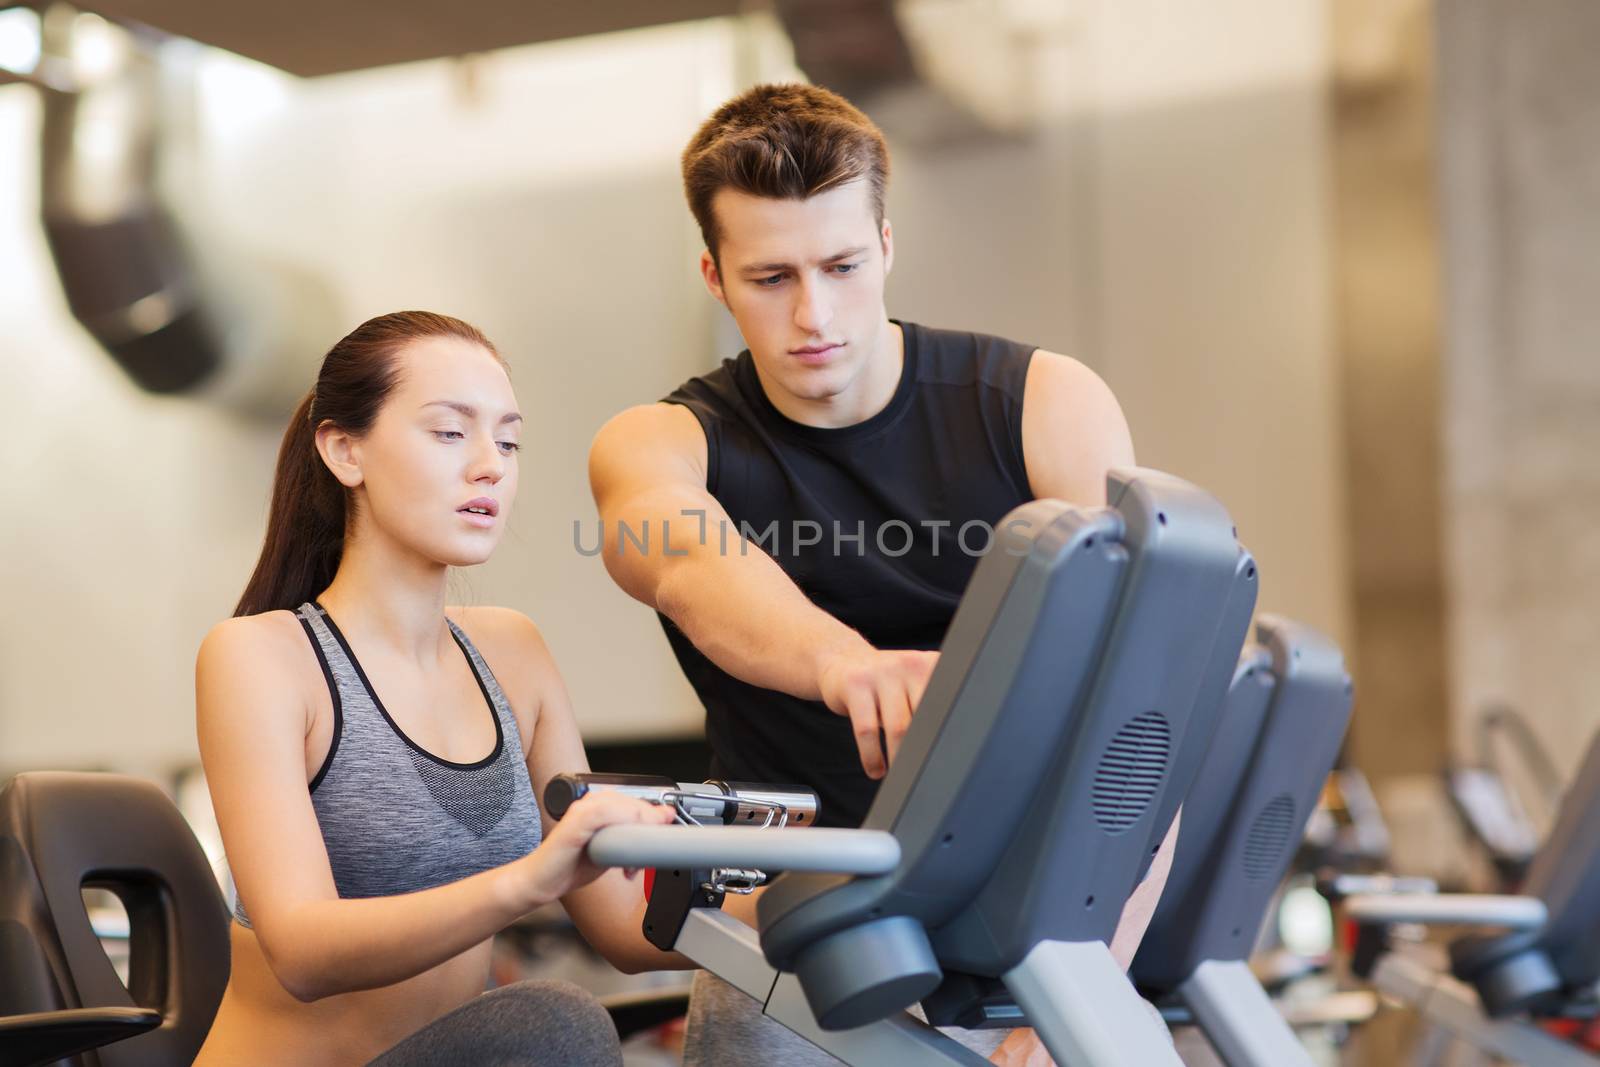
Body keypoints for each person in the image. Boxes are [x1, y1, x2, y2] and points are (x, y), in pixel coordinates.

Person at [588, 84, 1179, 1064]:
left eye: (841, 265)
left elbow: (1141, 718)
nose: (813, 312)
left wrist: (1086, 984)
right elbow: (680, 552)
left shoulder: (1041, 405)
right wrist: (842, 663)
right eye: (770, 276)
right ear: (714, 276)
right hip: (794, 940)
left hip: (1028, 930)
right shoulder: (662, 440)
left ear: (888, 246)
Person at [194, 311, 680, 1067]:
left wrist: (817, 899)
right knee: (552, 1024)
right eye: (451, 432)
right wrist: (526, 880)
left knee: (742, 991)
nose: (491, 465)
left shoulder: (514, 652)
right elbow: (302, 949)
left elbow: (624, 927)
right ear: (344, 449)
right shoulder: (261, 657)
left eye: (509, 441)